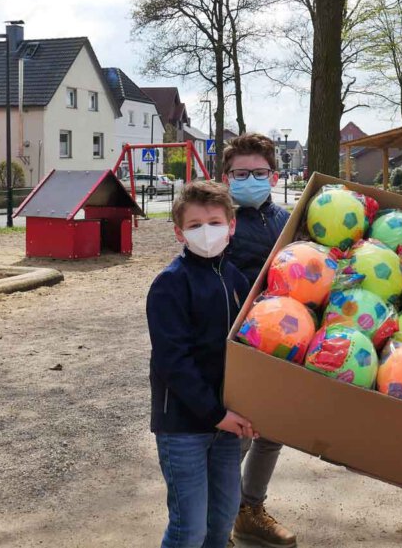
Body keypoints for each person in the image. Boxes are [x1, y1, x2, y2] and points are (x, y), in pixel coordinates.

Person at [147, 181, 258, 548]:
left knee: (222, 519)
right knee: (188, 529)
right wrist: (215, 414)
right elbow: (173, 362)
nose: (205, 232)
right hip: (184, 428)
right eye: (195, 226)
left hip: (227, 425)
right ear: (180, 232)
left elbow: (252, 349)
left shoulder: (236, 279)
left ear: (232, 225)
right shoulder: (170, 284)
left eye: (214, 221)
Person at [220, 133, 296, 547]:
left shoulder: (288, 218)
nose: (250, 179)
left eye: (259, 173)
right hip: (243, 344)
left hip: (287, 344)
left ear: (274, 175)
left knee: (274, 432)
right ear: (227, 178)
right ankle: (220, 516)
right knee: (240, 434)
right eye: (241, 173)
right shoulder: (221, 224)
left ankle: (250, 511)